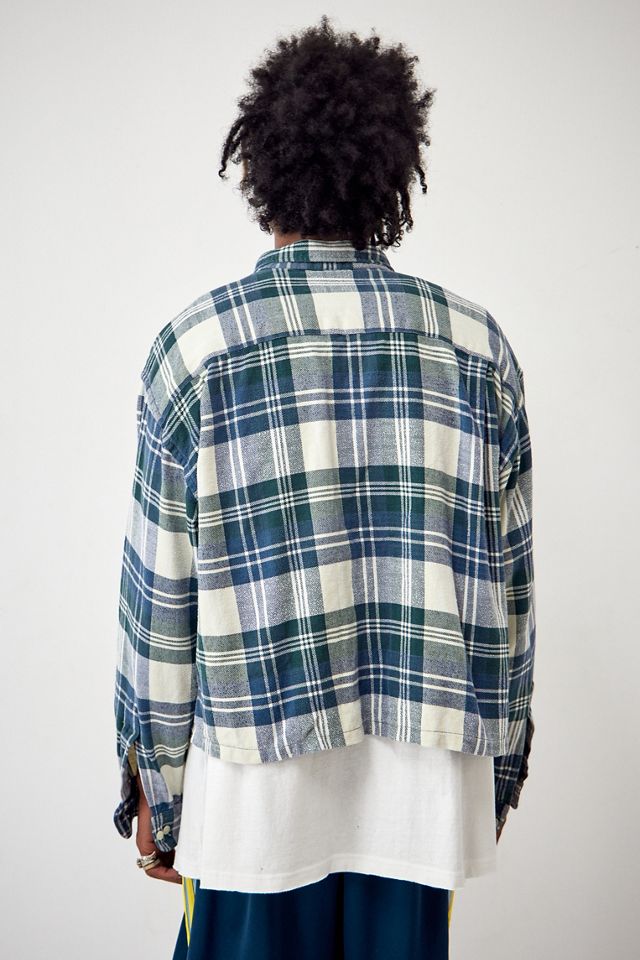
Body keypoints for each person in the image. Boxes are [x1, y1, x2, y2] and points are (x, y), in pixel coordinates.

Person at [112, 14, 536, 960]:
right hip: (422, 800)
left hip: (252, 800)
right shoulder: (479, 350)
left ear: (262, 169)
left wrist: (158, 791)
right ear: (390, 174)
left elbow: (160, 605)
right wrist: (498, 776)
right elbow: (512, 603)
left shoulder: (196, 350)